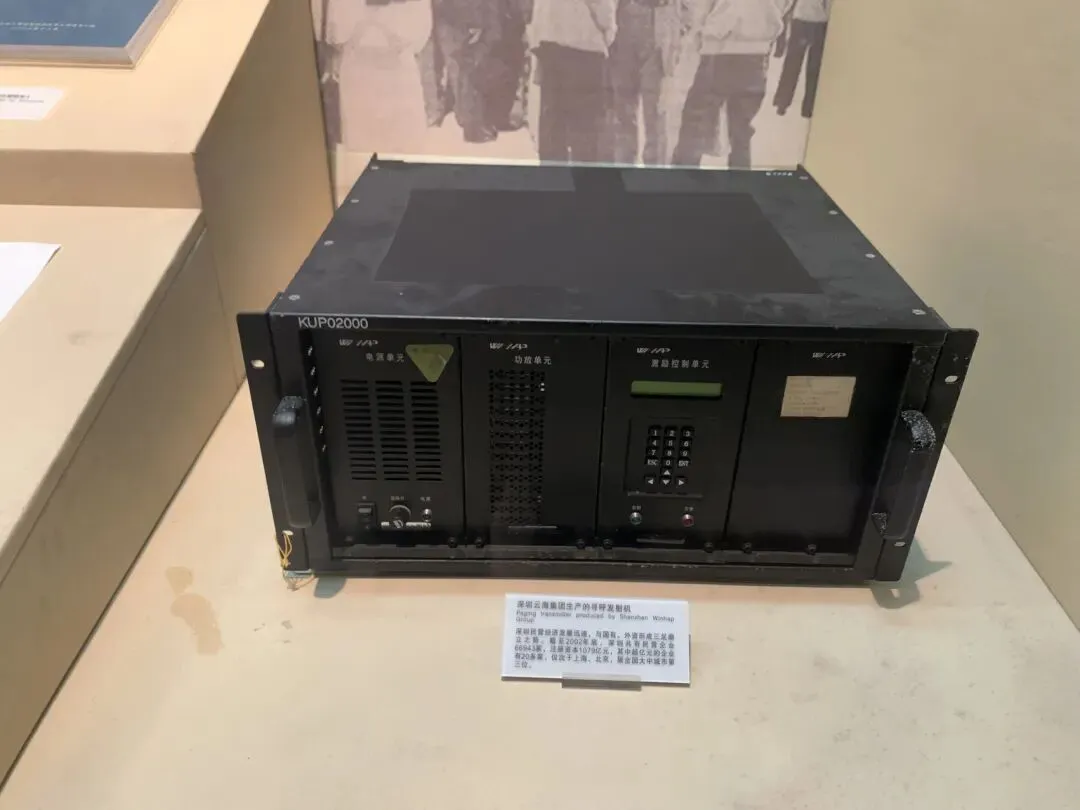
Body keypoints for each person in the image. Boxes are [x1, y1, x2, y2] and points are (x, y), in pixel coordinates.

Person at [671, 0, 790, 168]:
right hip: (758, 50)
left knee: (695, 122)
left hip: (720, 46)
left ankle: (680, 178)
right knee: (741, 131)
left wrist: (700, 32)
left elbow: (699, 7)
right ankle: (739, 180)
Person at [530, 0, 617, 162]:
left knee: (553, 125)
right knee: (584, 127)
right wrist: (609, 31)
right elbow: (602, 9)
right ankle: (582, 175)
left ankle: (553, 175)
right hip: (583, 48)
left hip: (549, 43)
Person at [605, 0, 681, 165]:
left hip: (658, 22)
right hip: (622, 23)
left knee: (656, 111)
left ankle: (654, 173)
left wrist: (681, 26)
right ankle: (623, 169)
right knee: (622, 110)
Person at [773, 0, 830, 118]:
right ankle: (807, 107)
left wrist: (783, 11)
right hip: (817, 21)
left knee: (793, 63)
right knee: (813, 66)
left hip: (804, 18)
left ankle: (783, 102)